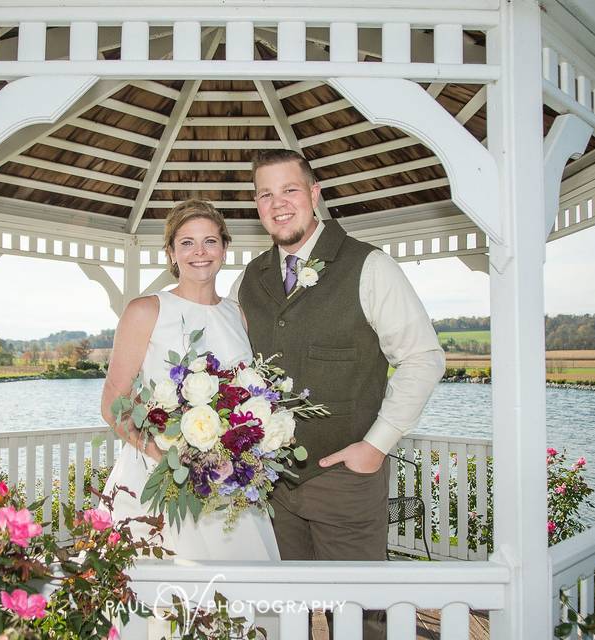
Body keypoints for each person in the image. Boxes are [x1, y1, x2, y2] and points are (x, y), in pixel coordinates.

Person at [229, 149, 446, 639]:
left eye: (289, 190)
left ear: (314, 194)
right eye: (266, 194)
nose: (278, 203)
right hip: (273, 488)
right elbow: (233, 368)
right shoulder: (249, 280)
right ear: (256, 205)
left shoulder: (370, 266)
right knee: (288, 614)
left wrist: (374, 447)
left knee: (364, 616)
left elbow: (423, 358)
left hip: (347, 480)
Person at [99, 198, 280, 562]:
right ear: (171, 252)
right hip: (162, 478)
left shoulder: (236, 314)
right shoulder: (146, 310)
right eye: (186, 242)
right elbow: (112, 405)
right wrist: (165, 458)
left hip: (230, 481)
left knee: (240, 593)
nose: (200, 252)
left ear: (225, 249)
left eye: (210, 241)